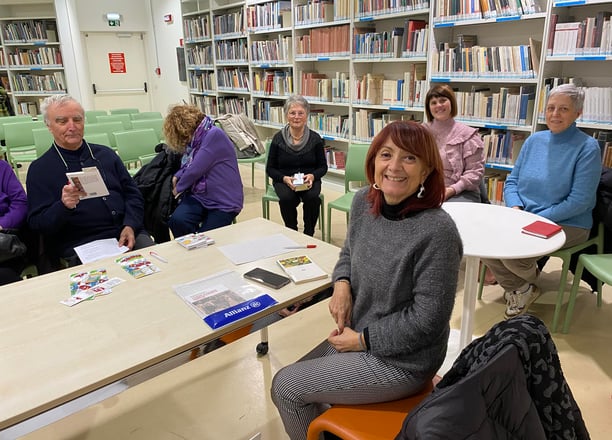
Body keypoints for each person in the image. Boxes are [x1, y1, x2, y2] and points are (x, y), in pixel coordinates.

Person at [270, 121, 463, 440]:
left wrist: (362, 341)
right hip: (361, 332)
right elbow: (347, 252)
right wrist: (342, 284)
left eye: (410, 158)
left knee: (287, 388)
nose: (395, 166)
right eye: (386, 154)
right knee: (298, 386)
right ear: (373, 161)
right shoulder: (363, 202)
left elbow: (427, 320)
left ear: (427, 171)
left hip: (405, 361)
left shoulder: (437, 232)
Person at [481, 83, 602, 319]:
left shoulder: (588, 148)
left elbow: (580, 201)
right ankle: (522, 287)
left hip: (570, 222)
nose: (555, 114)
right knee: (487, 244)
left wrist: (534, 218)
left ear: (578, 114)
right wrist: (516, 208)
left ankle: (524, 283)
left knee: (513, 255)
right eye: (550, 108)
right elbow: (512, 181)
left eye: (563, 109)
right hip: (525, 216)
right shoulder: (534, 140)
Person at [26, 95, 154, 269]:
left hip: (125, 232)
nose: (72, 127)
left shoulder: (106, 155)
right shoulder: (40, 169)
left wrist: (130, 224)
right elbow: (37, 224)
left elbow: (133, 194)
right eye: (62, 121)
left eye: (77, 119)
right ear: (49, 126)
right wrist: (63, 206)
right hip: (82, 243)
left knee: (154, 266)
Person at [163, 104, 243, 237]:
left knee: (206, 237)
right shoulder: (196, 139)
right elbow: (189, 163)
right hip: (201, 197)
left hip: (224, 201)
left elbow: (196, 169)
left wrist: (177, 189)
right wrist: (178, 175)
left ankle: (200, 252)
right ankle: (191, 251)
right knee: (177, 221)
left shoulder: (213, 135)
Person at [266, 95, 327, 237]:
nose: (296, 117)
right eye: (292, 113)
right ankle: (292, 231)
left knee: (312, 198)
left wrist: (313, 176)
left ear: (307, 116)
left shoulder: (315, 138)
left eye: (301, 113)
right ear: (286, 115)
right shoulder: (278, 138)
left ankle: (308, 233)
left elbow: (323, 167)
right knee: (287, 199)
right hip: (285, 179)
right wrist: (284, 178)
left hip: (308, 179)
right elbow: (270, 168)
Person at [424, 84, 485, 203]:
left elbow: (475, 172)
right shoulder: (421, 132)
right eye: (433, 102)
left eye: (443, 100)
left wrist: (451, 190)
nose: (438, 105)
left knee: (444, 216)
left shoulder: (468, 134)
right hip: (427, 190)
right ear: (428, 108)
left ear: (451, 102)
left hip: (460, 192)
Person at [0, 159, 27, 284]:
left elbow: (20, 202)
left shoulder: (2, 167)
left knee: (5, 276)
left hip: (3, 245)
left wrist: (2, 224)